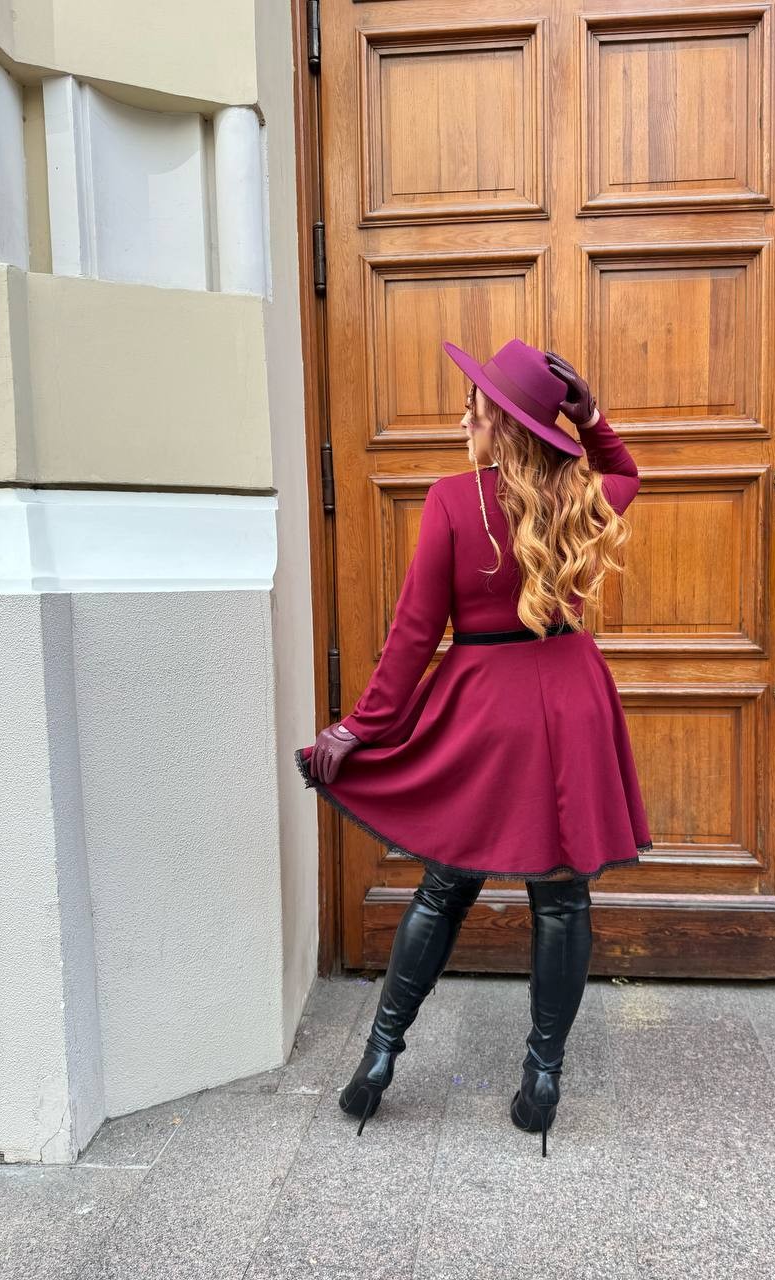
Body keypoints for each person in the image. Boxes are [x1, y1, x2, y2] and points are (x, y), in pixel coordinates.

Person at [295, 338, 652, 1156]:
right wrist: (592, 419)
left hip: (486, 707)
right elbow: (626, 471)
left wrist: (360, 727)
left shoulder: (454, 501)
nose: (464, 422)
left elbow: (413, 635)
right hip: (570, 700)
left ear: (504, 426)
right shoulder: (581, 494)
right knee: (561, 898)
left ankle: (380, 1055)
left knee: (443, 887)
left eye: (475, 411)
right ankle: (543, 1078)